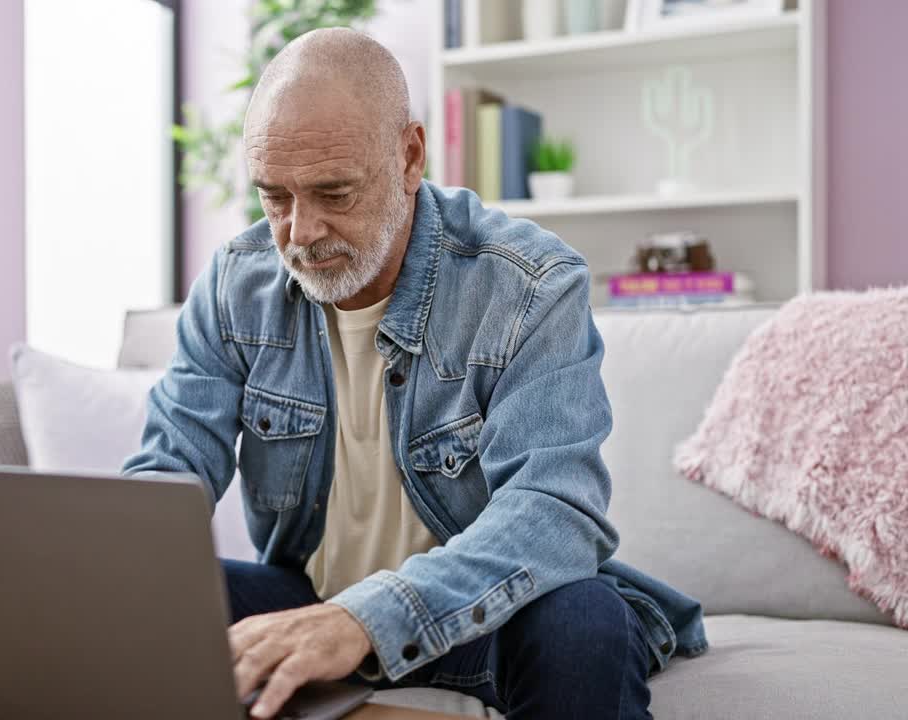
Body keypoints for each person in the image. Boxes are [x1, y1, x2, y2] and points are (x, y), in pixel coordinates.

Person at [123, 27, 706, 720]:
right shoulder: (233, 286)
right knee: (136, 598)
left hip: (482, 614)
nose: (300, 232)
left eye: (332, 192)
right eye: (274, 197)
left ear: (409, 157)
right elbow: (162, 489)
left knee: (584, 619)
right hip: (312, 602)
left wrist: (366, 620)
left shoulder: (528, 285)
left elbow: (553, 510)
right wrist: (105, 566)